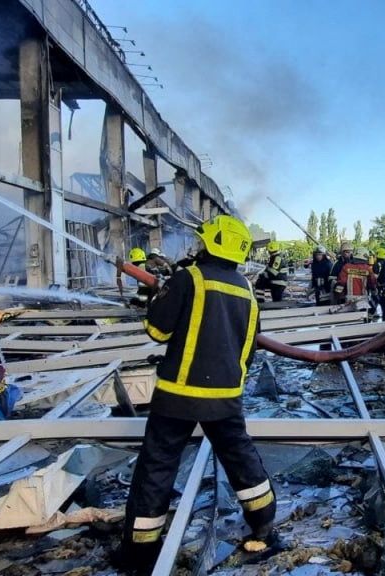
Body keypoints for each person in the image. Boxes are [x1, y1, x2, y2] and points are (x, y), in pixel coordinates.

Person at [116, 215, 276, 572]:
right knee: (241, 458)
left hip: (178, 396)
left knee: (158, 466)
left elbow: (157, 332)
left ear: (210, 244)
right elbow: (249, 349)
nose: (197, 245)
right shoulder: (247, 291)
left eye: (202, 240)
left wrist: (156, 296)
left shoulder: (189, 278)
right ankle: (264, 524)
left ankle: (140, 552)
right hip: (226, 396)